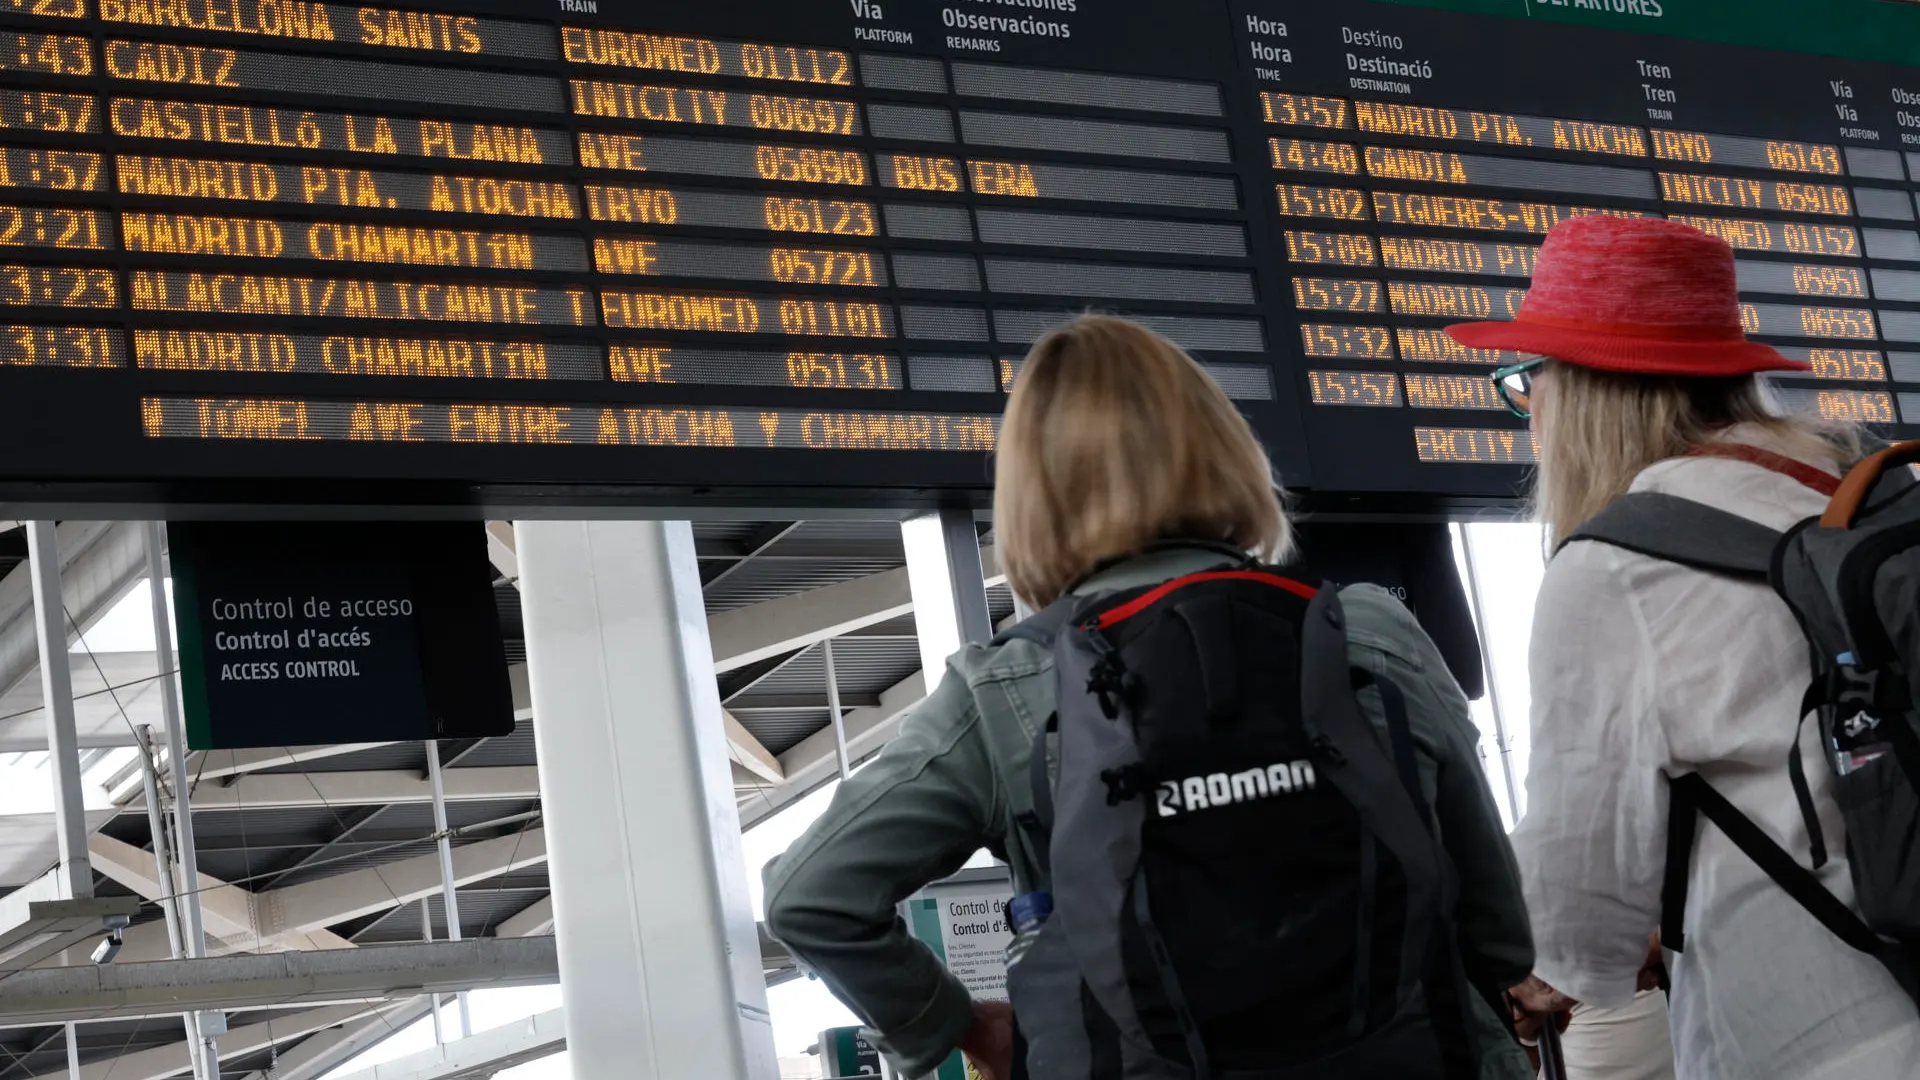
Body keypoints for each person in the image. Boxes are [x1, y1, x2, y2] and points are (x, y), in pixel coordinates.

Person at [762, 314, 1535, 1079]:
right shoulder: (1366, 632)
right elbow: (1500, 936)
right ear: (1224, 451)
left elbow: (809, 895)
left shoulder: (1007, 693)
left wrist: (959, 1026)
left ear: (1032, 496)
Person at [1446, 215, 1920, 1078]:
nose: (1529, 413)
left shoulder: (1615, 569)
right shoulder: (1870, 488)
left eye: (1529, 382)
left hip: (1819, 1036)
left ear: (1579, 392)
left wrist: (1530, 964)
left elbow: (1583, 920)